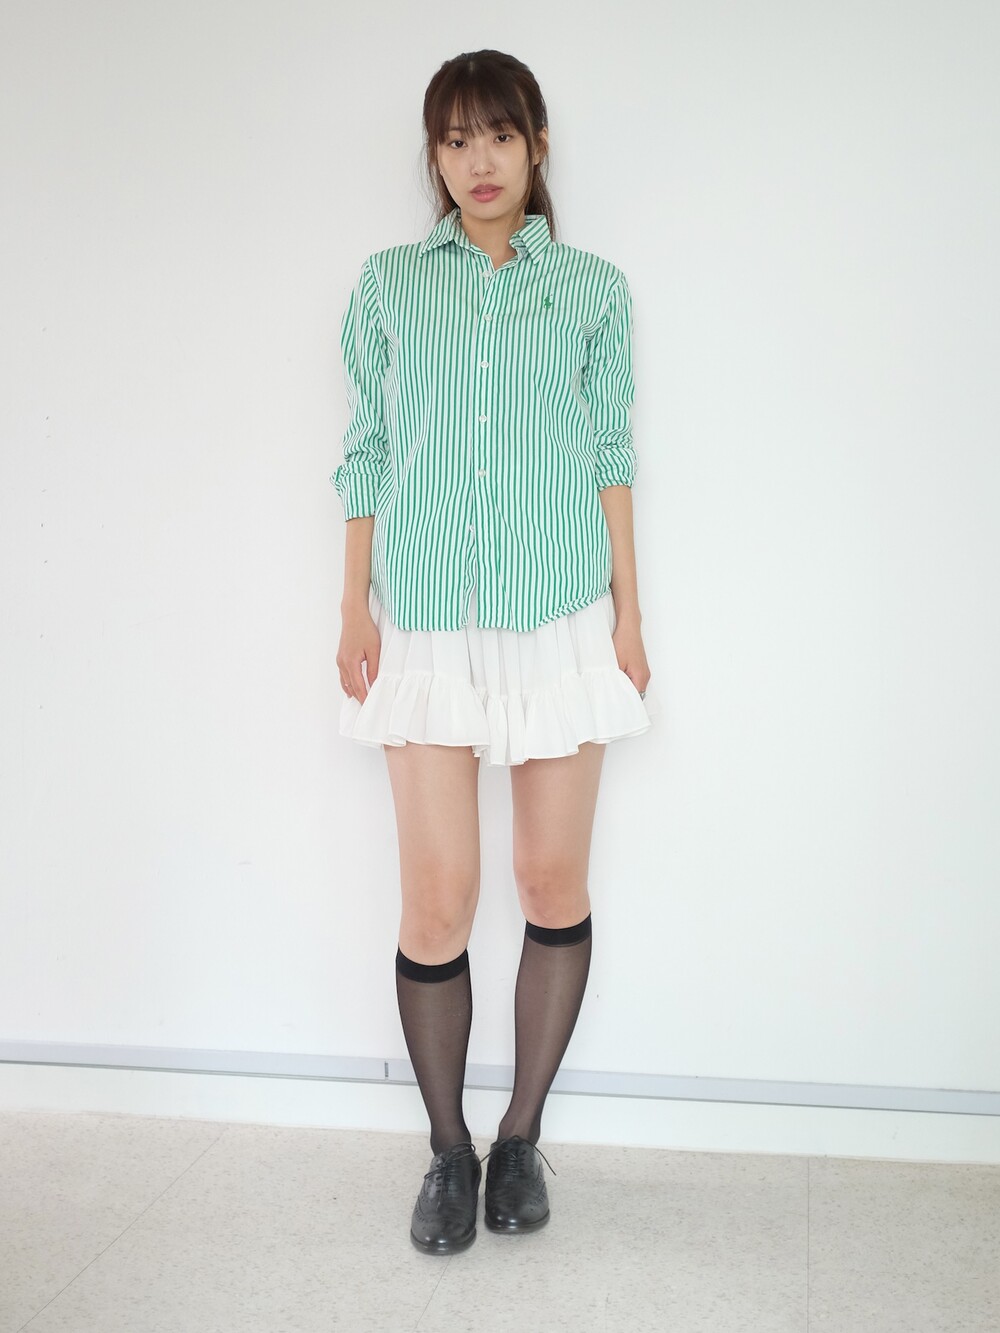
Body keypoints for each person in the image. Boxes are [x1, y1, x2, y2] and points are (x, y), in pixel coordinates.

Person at [331, 48, 652, 1255]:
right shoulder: (387, 285)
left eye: (500, 136)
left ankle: (519, 1136)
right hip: (423, 618)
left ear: (536, 147)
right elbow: (365, 449)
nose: (479, 161)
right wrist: (352, 606)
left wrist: (629, 618)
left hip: (560, 618)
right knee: (436, 902)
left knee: (550, 885)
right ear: (434, 154)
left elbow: (611, 455)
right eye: (457, 138)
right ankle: (447, 1151)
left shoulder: (593, 291)